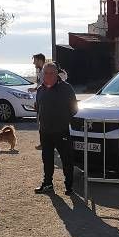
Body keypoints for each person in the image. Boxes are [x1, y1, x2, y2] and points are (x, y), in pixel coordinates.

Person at [34, 62, 78, 195]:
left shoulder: (66, 88)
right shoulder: (40, 89)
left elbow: (74, 109)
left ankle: (69, 186)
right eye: (45, 73)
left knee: (66, 160)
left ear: (56, 74)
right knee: (47, 159)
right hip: (45, 131)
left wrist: (63, 119)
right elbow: (38, 107)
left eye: (51, 73)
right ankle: (47, 184)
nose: (48, 76)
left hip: (61, 131)